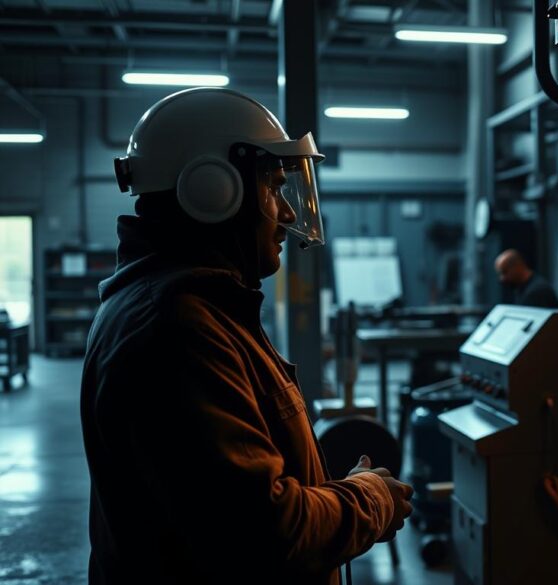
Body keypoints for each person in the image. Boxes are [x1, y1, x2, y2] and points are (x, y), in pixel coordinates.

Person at [80, 88, 412, 585]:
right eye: (274, 189)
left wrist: (331, 488)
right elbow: (265, 534)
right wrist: (371, 499)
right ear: (212, 190)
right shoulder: (177, 329)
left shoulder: (193, 307)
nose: (287, 214)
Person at [494, 248, 558, 308]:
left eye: (505, 272)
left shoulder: (537, 291)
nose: (502, 278)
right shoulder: (523, 288)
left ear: (518, 266)